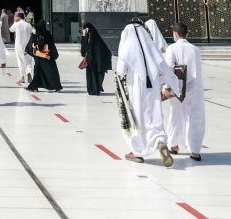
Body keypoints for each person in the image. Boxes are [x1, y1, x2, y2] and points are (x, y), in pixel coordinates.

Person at [115, 19, 181, 166]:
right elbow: (163, 67)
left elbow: (121, 71)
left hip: (135, 89)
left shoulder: (127, 48)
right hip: (153, 88)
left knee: (138, 118)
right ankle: (160, 141)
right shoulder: (150, 47)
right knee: (154, 115)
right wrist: (167, 85)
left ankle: (137, 152)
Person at [163, 22, 205, 161]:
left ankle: (173, 145)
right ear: (186, 33)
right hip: (195, 87)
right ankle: (195, 150)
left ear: (175, 34)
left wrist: (166, 87)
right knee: (195, 118)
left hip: (178, 88)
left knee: (175, 116)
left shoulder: (172, 48)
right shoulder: (195, 49)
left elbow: (169, 68)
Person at [24, 20, 62, 92]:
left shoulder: (40, 35)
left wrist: (33, 47)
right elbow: (52, 45)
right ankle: (34, 86)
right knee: (40, 72)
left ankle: (56, 86)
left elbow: (39, 44)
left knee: (47, 72)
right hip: (46, 57)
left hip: (43, 57)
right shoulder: (47, 33)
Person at [80, 22, 112, 96]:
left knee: (95, 75)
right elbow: (83, 51)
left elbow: (86, 50)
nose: (83, 31)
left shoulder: (94, 39)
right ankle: (92, 89)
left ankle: (95, 90)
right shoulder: (89, 38)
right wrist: (84, 37)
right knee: (91, 75)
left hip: (97, 61)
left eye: (84, 29)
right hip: (91, 61)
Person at [9, 12, 33, 85]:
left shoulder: (17, 24)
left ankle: (22, 77)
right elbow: (33, 32)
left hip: (19, 46)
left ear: (19, 17)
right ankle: (29, 73)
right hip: (27, 46)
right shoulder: (28, 25)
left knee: (20, 61)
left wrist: (15, 22)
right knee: (28, 61)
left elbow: (11, 29)